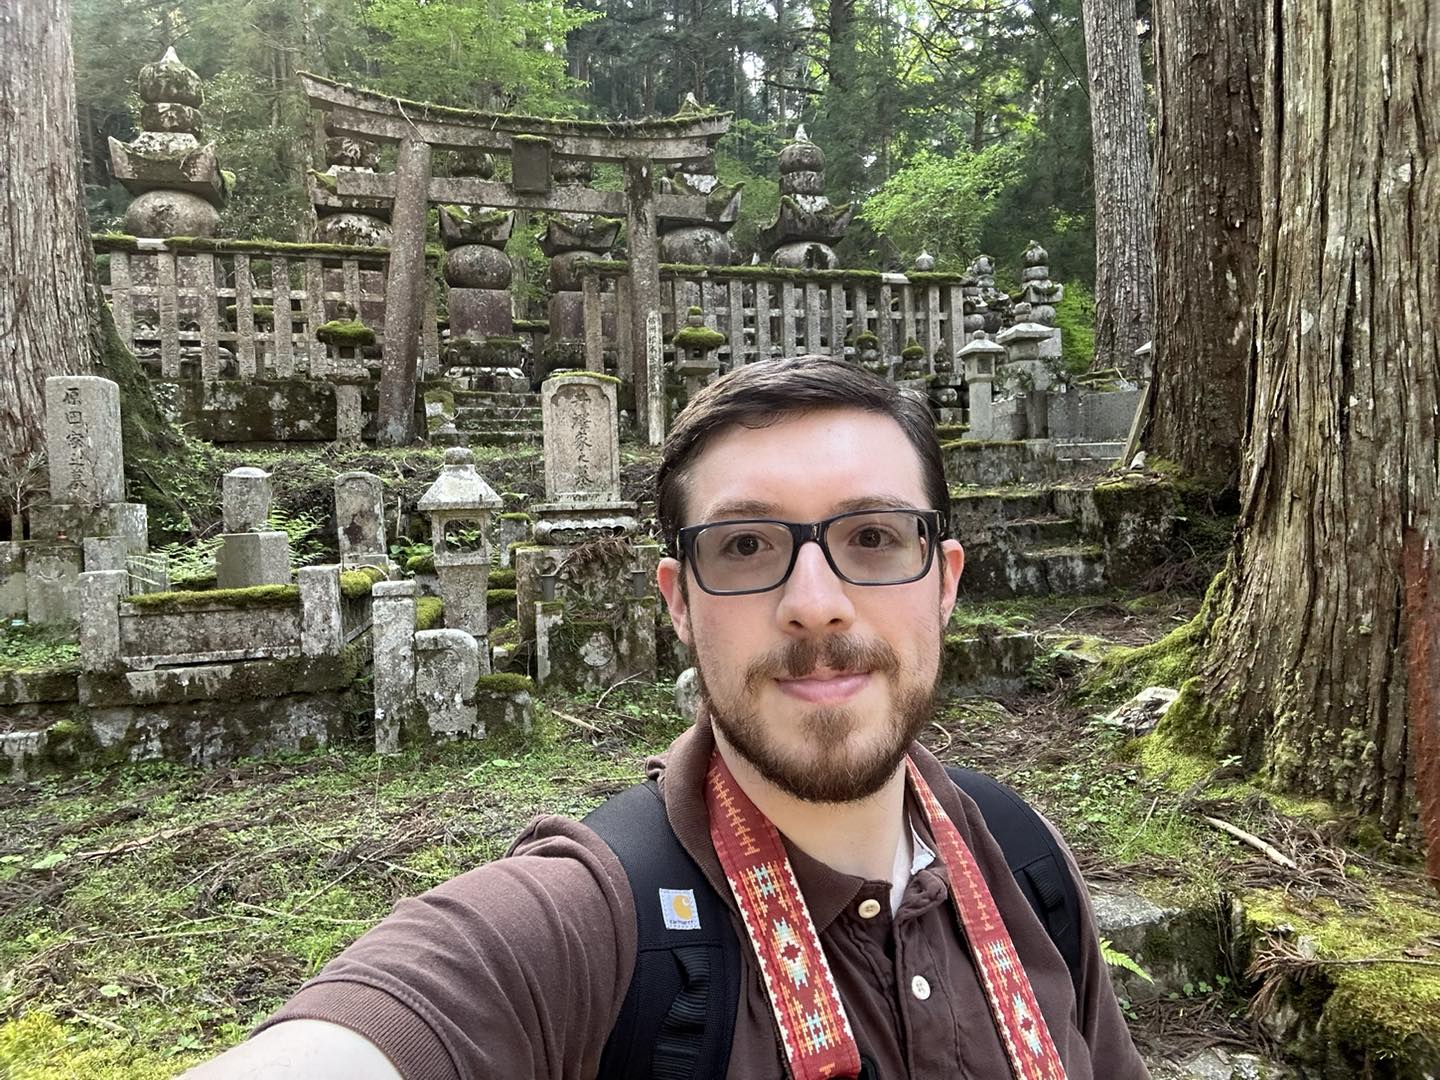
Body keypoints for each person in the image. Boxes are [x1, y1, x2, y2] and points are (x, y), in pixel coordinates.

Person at [188, 356, 1149, 1079]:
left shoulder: (1025, 864)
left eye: (872, 537)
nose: (815, 602)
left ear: (944, 583)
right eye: (743, 545)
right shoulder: (584, 928)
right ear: (678, 600)